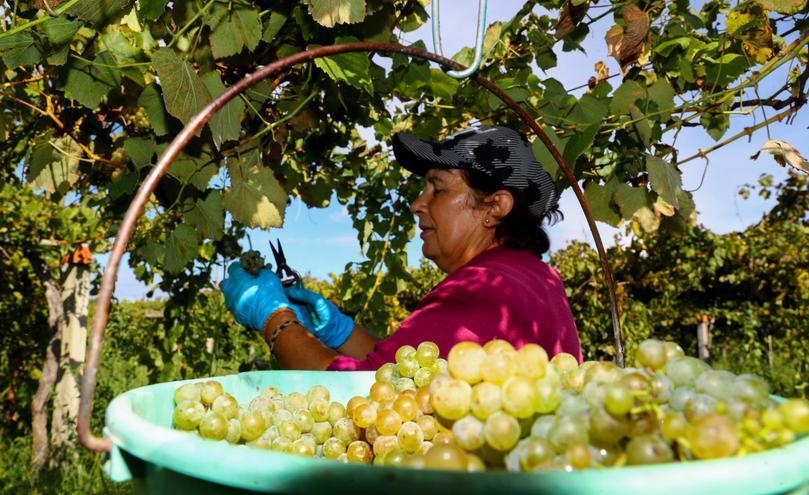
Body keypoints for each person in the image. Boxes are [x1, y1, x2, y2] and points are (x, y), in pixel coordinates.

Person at [220, 125, 582, 370]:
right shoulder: (531, 276)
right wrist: (342, 333)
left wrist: (274, 318)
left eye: (437, 189)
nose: (416, 204)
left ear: (495, 207)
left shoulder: (486, 287)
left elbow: (361, 401)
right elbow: (404, 374)